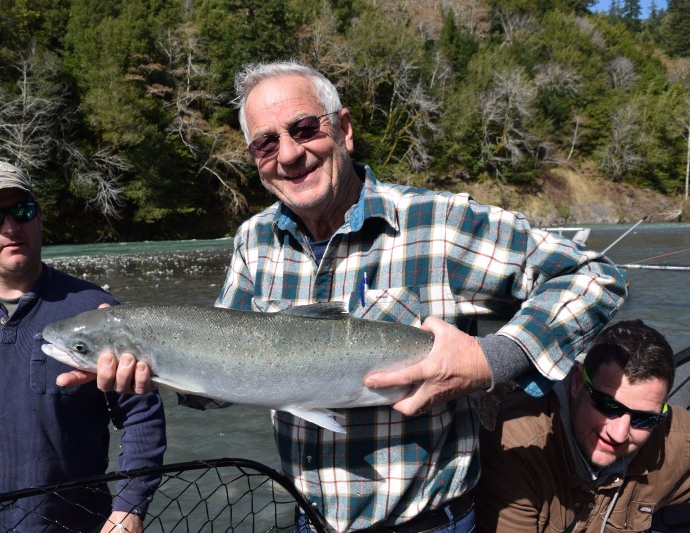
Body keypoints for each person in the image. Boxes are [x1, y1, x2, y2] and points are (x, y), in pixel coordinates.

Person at [59, 60, 627, 531]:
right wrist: (153, 369)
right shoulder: (253, 242)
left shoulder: (441, 223)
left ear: (345, 129)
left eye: (306, 129)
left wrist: (490, 359)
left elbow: (593, 277)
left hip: (431, 524)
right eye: (265, 144)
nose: (288, 154)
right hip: (312, 521)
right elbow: (220, 386)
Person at [0, 160, 167, 532]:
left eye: (23, 211)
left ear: (39, 217)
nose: (11, 227)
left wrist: (129, 508)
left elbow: (142, 415)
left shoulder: (96, 311)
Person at [475, 319, 690, 532]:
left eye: (644, 419)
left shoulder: (679, 437)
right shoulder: (516, 446)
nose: (619, 434)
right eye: (607, 405)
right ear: (576, 382)